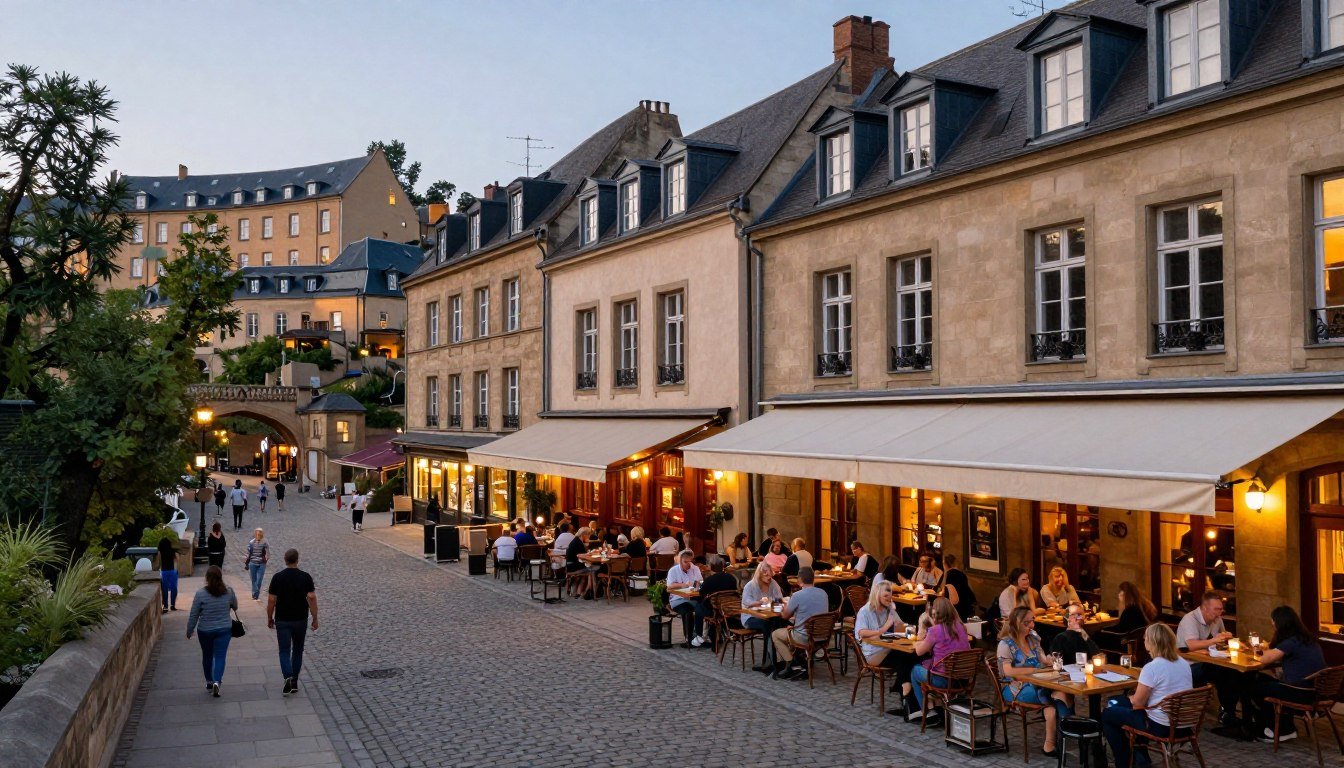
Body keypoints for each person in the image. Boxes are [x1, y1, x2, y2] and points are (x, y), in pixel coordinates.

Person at [1101, 623, 1194, 768]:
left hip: (1161, 725)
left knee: (1108, 714)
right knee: (1117, 702)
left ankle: (1124, 762)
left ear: (1152, 643)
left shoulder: (1152, 667)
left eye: (1145, 639)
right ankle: (1140, 758)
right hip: (1184, 724)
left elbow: (1138, 704)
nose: (1144, 642)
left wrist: (1132, 699)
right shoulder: (1184, 663)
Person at [1246, 605, 1327, 742]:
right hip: (1314, 691)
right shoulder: (1306, 638)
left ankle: (1278, 729)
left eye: (1273, 624)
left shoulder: (1291, 642)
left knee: (1254, 688)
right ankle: (1285, 726)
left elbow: (1265, 659)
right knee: (1260, 679)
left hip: (1299, 692)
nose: (1273, 627)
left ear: (1280, 624)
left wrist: (1256, 648)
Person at [998, 607, 1070, 755]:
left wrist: (1050, 661)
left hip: (1038, 683)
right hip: (1016, 689)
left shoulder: (1032, 639)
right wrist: (1033, 671)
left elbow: (1042, 659)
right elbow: (1008, 672)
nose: (1031, 625)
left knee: (1061, 692)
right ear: (1016, 623)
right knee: (1058, 694)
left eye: (1032, 621)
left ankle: (1055, 742)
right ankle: (1067, 732)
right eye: (1027, 622)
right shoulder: (1006, 645)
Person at [1175, 590, 1239, 726]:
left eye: (1221, 609)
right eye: (1216, 609)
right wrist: (1214, 641)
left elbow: (1221, 641)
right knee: (1223, 673)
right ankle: (1227, 713)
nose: (1220, 612)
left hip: (1207, 661)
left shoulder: (1217, 619)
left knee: (1233, 673)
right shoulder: (1190, 619)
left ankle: (1228, 712)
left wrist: (1227, 639)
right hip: (1187, 665)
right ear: (1204, 608)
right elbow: (1191, 645)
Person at [854, 581, 918, 709]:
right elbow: (861, 633)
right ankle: (905, 694)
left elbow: (902, 626)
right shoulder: (865, 611)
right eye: (886, 596)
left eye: (890, 596)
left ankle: (905, 692)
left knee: (911, 655)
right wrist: (884, 628)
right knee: (904, 657)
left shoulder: (889, 609)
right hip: (873, 653)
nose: (889, 599)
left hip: (888, 648)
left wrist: (913, 630)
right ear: (877, 595)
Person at [909, 596, 972, 723]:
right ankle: (935, 704)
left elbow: (919, 651)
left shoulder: (935, 630)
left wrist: (921, 633)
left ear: (936, 614)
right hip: (963, 679)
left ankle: (927, 712)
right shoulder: (961, 627)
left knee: (915, 670)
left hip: (944, 680)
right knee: (926, 666)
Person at [267, 548, 318, 697]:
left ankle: (287, 677)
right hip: (300, 619)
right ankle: (294, 681)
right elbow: (312, 597)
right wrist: (315, 617)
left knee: (284, 650)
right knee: (297, 650)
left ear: (285, 559)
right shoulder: (305, 577)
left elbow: (271, 600)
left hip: (282, 619)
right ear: (297, 560)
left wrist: (269, 617)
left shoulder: (277, 577)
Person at [186, 565, 238, 698]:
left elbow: (194, 614)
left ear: (207, 579)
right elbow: (235, 606)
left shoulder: (200, 594)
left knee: (207, 656)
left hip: (205, 630)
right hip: (224, 629)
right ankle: (217, 681)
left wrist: (189, 629)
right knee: (220, 656)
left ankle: (209, 682)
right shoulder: (229, 591)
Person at [772, 566, 828, 680]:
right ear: (813, 578)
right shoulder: (823, 593)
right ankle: (802, 663)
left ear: (800, 580)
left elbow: (785, 616)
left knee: (775, 634)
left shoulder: (797, 596)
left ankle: (789, 663)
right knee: (791, 627)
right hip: (822, 636)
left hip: (804, 637)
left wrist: (779, 606)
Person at [741, 562, 784, 671]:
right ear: (760, 574)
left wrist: (773, 601)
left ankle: (782, 659)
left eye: (770, 576)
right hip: (750, 617)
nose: (769, 578)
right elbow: (746, 602)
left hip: (768, 615)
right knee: (768, 626)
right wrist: (760, 602)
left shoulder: (773, 583)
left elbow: (779, 598)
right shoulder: (750, 585)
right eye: (766, 576)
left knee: (781, 623)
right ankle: (768, 661)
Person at [693, 555, 738, 648]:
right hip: (728, 609)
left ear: (710, 566)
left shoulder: (709, 580)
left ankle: (698, 635)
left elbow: (701, 594)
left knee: (697, 606)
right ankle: (714, 633)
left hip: (714, 611)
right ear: (722, 566)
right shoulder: (731, 578)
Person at [667, 550, 704, 647]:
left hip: (692, 598)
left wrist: (696, 584)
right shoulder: (673, 570)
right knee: (687, 611)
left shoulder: (695, 568)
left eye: (690, 561)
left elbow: (700, 583)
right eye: (685, 562)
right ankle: (689, 639)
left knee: (703, 608)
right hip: (677, 599)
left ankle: (699, 636)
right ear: (680, 561)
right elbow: (669, 586)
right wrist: (684, 585)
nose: (688, 564)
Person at [565, 526, 600, 598]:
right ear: (584, 535)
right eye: (588, 535)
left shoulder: (576, 540)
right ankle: (588, 592)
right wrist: (590, 554)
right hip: (573, 566)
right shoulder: (578, 543)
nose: (589, 537)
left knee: (589, 568)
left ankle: (579, 592)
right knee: (593, 569)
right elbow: (581, 556)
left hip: (570, 565)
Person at [941, 554, 976, 622]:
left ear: (945, 564)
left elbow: (951, 596)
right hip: (965, 605)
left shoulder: (949, 575)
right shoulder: (961, 574)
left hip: (956, 608)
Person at [243, 528, 270, 601]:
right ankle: (255, 596)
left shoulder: (265, 542)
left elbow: (268, 553)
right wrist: (246, 559)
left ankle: (255, 595)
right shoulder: (251, 542)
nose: (259, 535)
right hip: (252, 564)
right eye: (257, 534)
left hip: (261, 564)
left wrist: (266, 559)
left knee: (259, 581)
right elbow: (248, 553)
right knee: (253, 580)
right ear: (255, 534)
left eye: (260, 534)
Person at [157, 536, 178, 613]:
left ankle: (165, 606)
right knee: (174, 588)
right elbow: (176, 559)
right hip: (172, 570)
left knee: (164, 589)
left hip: (164, 570)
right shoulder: (172, 546)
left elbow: (158, 558)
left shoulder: (161, 547)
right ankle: (172, 605)